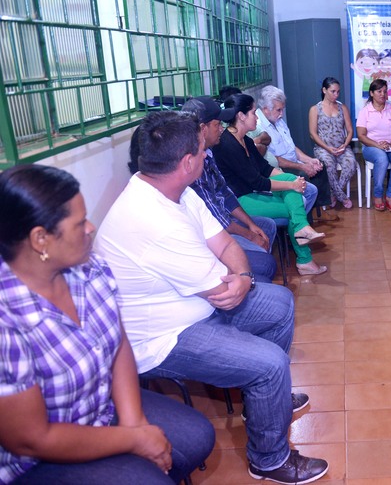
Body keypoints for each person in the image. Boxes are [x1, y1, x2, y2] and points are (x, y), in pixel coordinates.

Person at [94, 111, 330, 483]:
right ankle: (269, 460)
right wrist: (237, 283)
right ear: (187, 162)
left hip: (200, 304)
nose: (207, 156)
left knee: (280, 302)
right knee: (270, 363)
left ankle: (264, 401)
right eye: (202, 151)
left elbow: (223, 244)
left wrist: (244, 277)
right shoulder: (150, 218)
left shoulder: (176, 191)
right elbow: (222, 291)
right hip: (164, 338)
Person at [0, 164, 214, 484]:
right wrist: (135, 440)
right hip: (37, 458)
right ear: (40, 239)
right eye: (79, 223)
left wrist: (134, 422)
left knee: (196, 436)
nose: (91, 228)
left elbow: (118, 342)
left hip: (99, 410)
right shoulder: (8, 321)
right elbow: (31, 439)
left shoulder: (90, 269)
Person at [214, 94, 328, 276]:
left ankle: (303, 241)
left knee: (292, 189)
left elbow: (265, 169)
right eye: (253, 113)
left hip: (253, 193)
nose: (257, 117)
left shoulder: (246, 140)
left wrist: (293, 181)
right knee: (295, 205)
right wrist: (291, 186)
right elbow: (256, 181)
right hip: (239, 202)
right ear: (241, 116)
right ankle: (304, 255)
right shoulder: (227, 144)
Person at [179, 97, 278, 283]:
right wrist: (249, 235)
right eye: (217, 124)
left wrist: (250, 224)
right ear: (203, 129)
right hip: (212, 232)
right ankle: (252, 282)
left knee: (267, 226)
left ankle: (256, 280)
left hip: (225, 220)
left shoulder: (209, 153)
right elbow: (215, 218)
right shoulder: (193, 163)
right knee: (265, 262)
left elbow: (225, 193)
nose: (222, 129)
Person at [256, 85, 338, 221]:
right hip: (279, 168)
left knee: (319, 166)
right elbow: (274, 159)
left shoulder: (278, 120)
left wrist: (309, 160)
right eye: (278, 110)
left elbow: (292, 148)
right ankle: (304, 219)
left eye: (282, 109)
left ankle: (318, 212)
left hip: (292, 162)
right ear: (265, 109)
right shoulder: (259, 127)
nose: (282, 113)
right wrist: (302, 166)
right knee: (305, 174)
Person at [356, 78, 391, 212]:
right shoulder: (365, 111)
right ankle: (378, 195)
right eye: (379, 91)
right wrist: (377, 145)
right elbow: (361, 135)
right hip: (371, 146)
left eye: (385, 91)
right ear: (371, 93)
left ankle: (390, 196)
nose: (383, 94)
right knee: (382, 158)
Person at [308, 77, 357, 209]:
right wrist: (328, 148)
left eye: (338, 92)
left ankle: (334, 194)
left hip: (342, 147)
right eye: (333, 91)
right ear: (324, 90)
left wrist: (345, 145)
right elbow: (313, 134)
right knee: (328, 166)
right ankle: (342, 197)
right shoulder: (315, 109)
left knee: (351, 164)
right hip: (323, 148)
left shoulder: (343, 108)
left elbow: (350, 130)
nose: (336, 94)